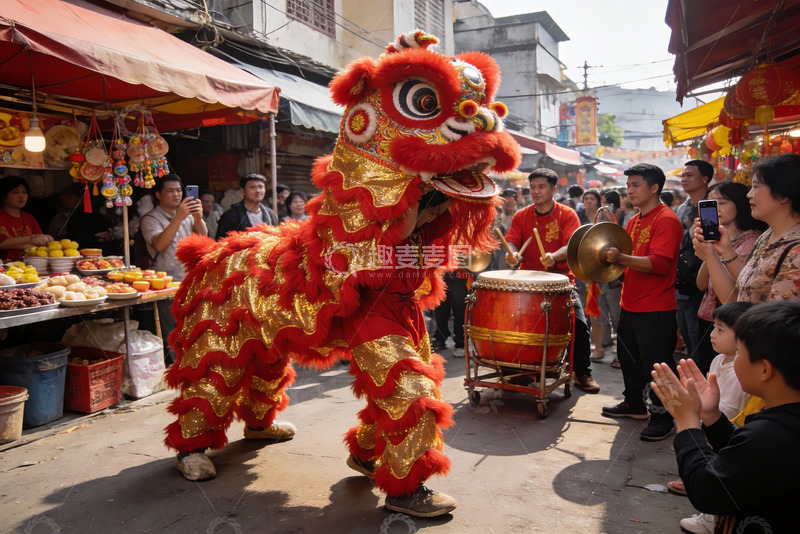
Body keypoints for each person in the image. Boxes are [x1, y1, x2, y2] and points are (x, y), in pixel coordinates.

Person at [650, 300, 800, 533]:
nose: (735, 358)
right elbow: (747, 460)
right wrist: (712, 417)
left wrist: (687, 423)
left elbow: (709, 489)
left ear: (764, 370)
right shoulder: (782, 423)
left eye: (740, 352)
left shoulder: (769, 435)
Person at [601, 163, 683, 440]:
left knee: (657, 366)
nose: (629, 190)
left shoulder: (666, 219)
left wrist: (621, 258)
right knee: (630, 359)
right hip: (630, 303)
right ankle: (634, 403)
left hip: (656, 307)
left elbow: (659, 264)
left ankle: (664, 418)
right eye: (628, 186)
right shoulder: (634, 220)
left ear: (654, 187)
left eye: (635, 185)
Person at [505, 168, 600, 393]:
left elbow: (571, 244)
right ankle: (522, 368)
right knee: (518, 324)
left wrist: (554, 256)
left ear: (554, 189)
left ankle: (582, 372)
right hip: (528, 283)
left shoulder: (567, 214)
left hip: (561, 281)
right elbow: (511, 241)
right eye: (532, 187)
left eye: (541, 187)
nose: (536, 192)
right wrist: (512, 253)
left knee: (579, 325)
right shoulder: (522, 215)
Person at [668, 301, 752, 524]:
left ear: (744, 337)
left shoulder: (739, 370)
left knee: (721, 473)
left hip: (729, 428)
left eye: (721, 329)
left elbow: (729, 411)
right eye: (713, 327)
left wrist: (695, 420)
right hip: (714, 423)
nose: (712, 334)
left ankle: (711, 520)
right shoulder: (718, 359)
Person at [693, 154, 800, 304]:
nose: (749, 195)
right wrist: (718, 253)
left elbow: (777, 322)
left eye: (755, 187)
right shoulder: (766, 236)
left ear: (783, 195)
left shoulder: (796, 253)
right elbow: (738, 297)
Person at [693, 182, 765, 372]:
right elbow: (701, 284)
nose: (715, 208)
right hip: (708, 315)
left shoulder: (751, 240)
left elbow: (731, 295)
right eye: (710, 203)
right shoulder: (718, 240)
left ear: (740, 204)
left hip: (730, 320)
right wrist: (708, 253)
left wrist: (715, 255)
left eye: (722, 202)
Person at [140, 174, 207, 366]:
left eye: (179, 190)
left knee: (194, 327)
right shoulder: (150, 218)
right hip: (166, 283)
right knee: (172, 330)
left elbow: (204, 238)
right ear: (158, 194)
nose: (177, 194)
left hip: (190, 279)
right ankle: (176, 368)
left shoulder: (186, 215)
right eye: (170, 191)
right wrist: (179, 217)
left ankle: (194, 365)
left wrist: (198, 218)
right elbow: (160, 245)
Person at [675, 160, 712, 360]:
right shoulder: (683, 208)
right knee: (686, 330)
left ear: (705, 179)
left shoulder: (712, 206)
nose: (684, 179)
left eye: (689, 175)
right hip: (684, 277)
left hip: (705, 278)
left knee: (697, 332)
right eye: (683, 175)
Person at [0, 175, 53, 261]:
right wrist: (32, 239)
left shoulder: (29, 218)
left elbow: (41, 244)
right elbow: (2, 244)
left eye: (24, 192)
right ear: (3, 196)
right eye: (15, 192)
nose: (21, 196)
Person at [216, 173, 279, 239]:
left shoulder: (271, 214)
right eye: (253, 187)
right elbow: (221, 243)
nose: (258, 191)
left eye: (261, 187)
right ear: (243, 191)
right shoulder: (230, 216)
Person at [490, 188, 517, 270]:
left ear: (515, 202)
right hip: (497, 258)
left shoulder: (519, 218)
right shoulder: (496, 218)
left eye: (511, 203)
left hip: (514, 257)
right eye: (505, 202)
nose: (508, 205)